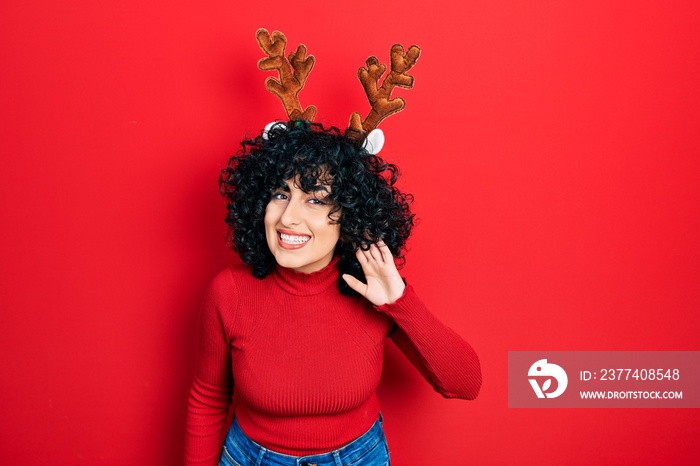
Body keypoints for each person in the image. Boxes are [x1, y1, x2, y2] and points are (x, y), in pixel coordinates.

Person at [185, 120, 482, 466]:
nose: (288, 217)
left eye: (315, 199)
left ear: (349, 216)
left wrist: (401, 303)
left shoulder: (371, 289)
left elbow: (465, 383)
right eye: (280, 194)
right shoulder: (229, 292)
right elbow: (207, 398)